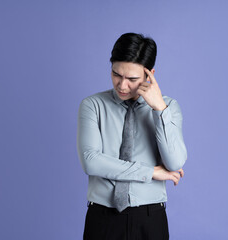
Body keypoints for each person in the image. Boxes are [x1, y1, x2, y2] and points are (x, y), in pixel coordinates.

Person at [77, 32, 187, 240]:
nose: (122, 85)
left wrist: (159, 110)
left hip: (150, 218)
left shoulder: (168, 107)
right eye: (116, 74)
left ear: (150, 74)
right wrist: (149, 172)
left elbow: (174, 162)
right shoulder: (93, 105)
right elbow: (91, 161)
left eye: (132, 78)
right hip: (102, 217)